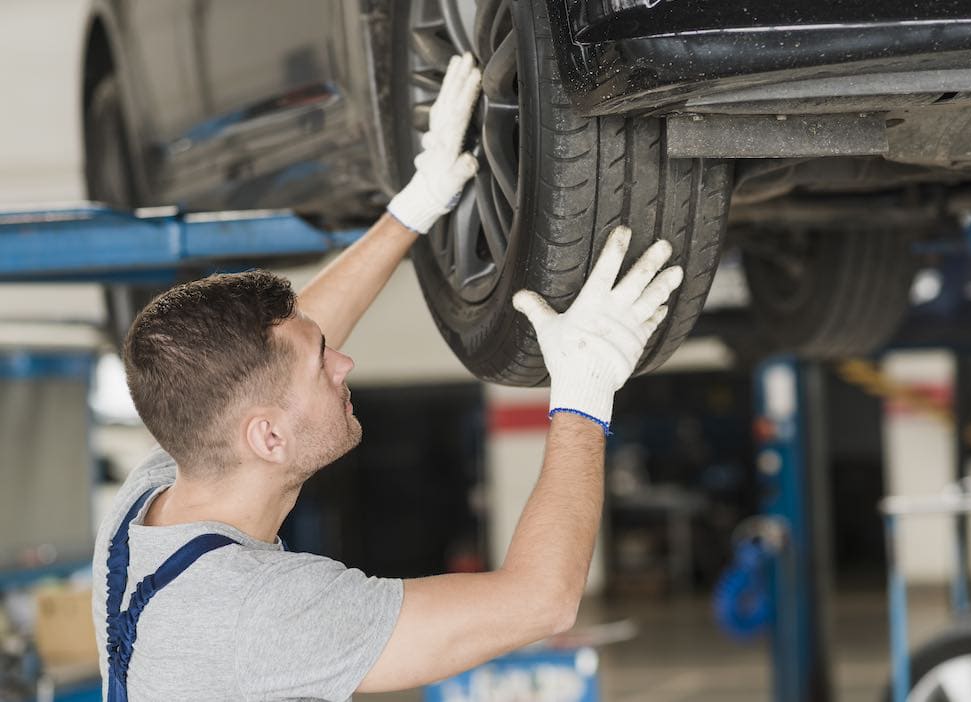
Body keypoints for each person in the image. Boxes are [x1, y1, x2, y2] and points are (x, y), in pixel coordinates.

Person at [91, 53, 683, 700]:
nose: (344, 363)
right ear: (266, 439)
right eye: (324, 367)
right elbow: (541, 602)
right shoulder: (256, 616)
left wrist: (414, 206)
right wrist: (584, 392)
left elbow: (272, 365)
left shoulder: (153, 501)